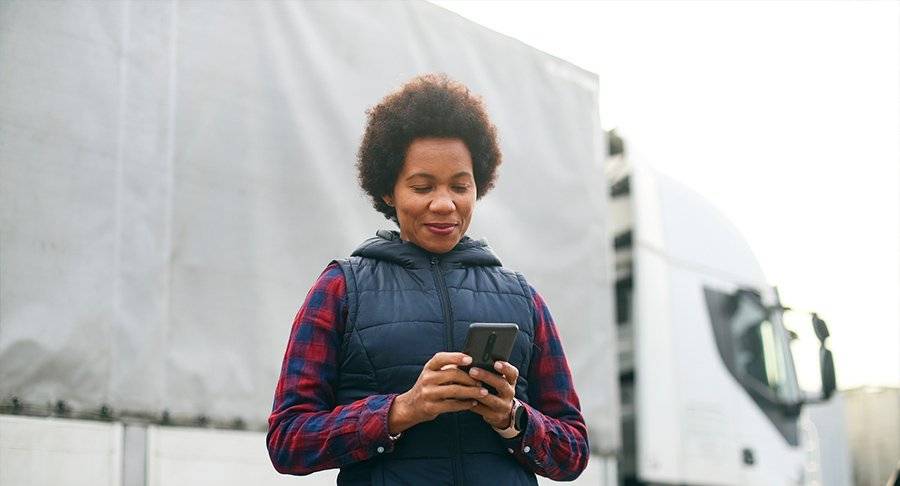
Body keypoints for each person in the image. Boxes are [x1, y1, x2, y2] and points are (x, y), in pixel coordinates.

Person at [267, 74, 589, 485]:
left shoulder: (524, 298)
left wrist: (513, 418)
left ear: (479, 186)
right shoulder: (340, 289)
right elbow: (287, 441)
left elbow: (574, 453)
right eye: (422, 187)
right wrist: (402, 410)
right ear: (388, 191)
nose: (444, 203)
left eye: (460, 185)